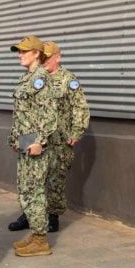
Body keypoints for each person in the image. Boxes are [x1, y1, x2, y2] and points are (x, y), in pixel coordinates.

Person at [6, 35, 57, 257]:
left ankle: (41, 240)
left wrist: (40, 142)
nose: (20, 55)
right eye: (19, 51)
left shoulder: (41, 79)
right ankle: (36, 234)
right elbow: (23, 115)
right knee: (25, 189)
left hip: (35, 140)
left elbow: (50, 115)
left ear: (37, 53)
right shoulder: (27, 78)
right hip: (26, 139)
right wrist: (16, 139)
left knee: (34, 190)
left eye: (24, 51)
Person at [41, 41, 90, 234]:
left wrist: (77, 131)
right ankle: (29, 213)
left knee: (55, 179)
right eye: (41, 57)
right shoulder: (36, 78)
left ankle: (53, 215)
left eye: (47, 57)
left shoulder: (68, 80)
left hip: (60, 140)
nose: (43, 61)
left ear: (57, 57)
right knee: (31, 179)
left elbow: (80, 107)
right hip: (37, 138)